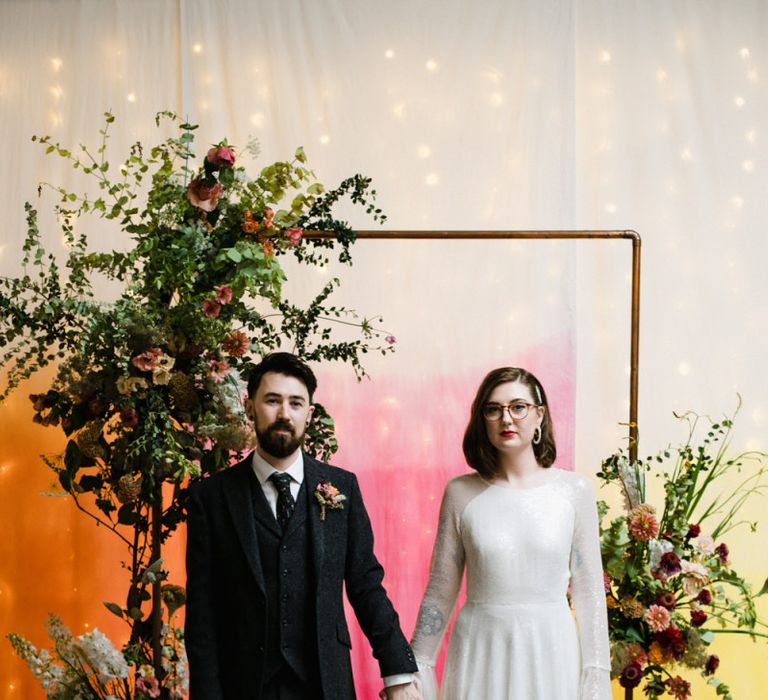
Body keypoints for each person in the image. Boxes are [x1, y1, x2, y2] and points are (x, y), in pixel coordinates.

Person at [186, 352, 421, 699]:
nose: (284, 413)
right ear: (250, 408)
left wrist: (398, 671)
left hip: (325, 683)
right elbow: (202, 612)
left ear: (309, 414)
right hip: (244, 685)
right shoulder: (212, 497)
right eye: (272, 401)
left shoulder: (343, 488)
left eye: (296, 403)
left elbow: (366, 585)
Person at [410, 367, 611, 700]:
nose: (506, 418)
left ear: (539, 416)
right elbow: (441, 588)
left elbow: (589, 591)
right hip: (481, 649)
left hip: (551, 649)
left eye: (518, 407)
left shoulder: (574, 491)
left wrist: (596, 674)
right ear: (482, 419)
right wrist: (415, 663)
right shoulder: (460, 492)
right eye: (493, 409)